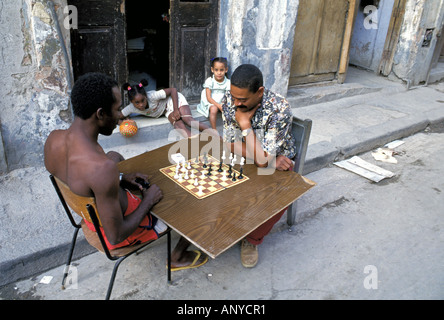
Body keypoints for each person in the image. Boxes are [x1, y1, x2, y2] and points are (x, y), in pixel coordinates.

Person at [44, 72, 208, 271]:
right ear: (100, 114)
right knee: (194, 196)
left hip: (90, 216)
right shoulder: (101, 169)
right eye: (116, 109)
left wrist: (120, 178)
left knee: (113, 155)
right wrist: (148, 200)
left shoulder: (53, 139)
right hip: (118, 234)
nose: (120, 115)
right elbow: (116, 236)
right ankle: (177, 256)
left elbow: (84, 180)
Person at [221, 64, 297, 268]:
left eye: (243, 100)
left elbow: (264, 161)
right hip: (263, 157)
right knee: (214, 177)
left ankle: (252, 239)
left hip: (281, 161)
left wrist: (245, 125)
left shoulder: (279, 109)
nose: (236, 103)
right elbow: (229, 143)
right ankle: (227, 225)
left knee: (278, 195)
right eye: (233, 97)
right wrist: (264, 156)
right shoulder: (230, 99)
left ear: (260, 92)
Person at [121, 79, 210, 138]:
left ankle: (213, 134)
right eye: (137, 103)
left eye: (143, 101)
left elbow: (173, 90)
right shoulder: (131, 108)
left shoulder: (152, 96)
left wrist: (176, 109)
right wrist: (122, 121)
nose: (141, 105)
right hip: (166, 110)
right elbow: (118, 115)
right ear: (131, 102)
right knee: (178, 125)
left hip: (173, 101)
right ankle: (195, 140)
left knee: (188, 120)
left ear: (146, 96)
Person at [197, 57, 231, 130]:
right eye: (216, 70)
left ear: (226, 70)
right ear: (212, 70)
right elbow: (209, 98)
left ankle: (229, 129)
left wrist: (223, 104)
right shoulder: (209, 81)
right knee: (214, 109)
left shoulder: (228, 82)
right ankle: (214, 130)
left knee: (230, 109)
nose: (219, 73)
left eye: (221, 70)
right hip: (210, 100)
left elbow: (227, 95)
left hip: (222, 101)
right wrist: (219, 106)